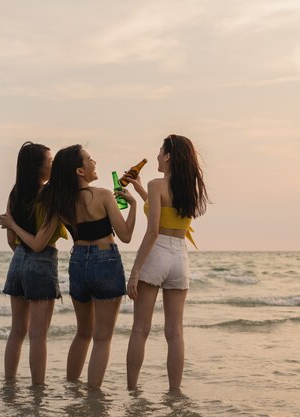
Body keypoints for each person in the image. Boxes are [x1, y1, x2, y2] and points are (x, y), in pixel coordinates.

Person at [39, 144, 137, 388]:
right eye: (90, 159)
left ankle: (72, 388)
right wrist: (133, 206)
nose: (94, 163)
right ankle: (93, 398)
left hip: (78, 260)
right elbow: (125, 235)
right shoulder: (102, 195)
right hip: (106, 259)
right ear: (80, 171)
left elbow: (43, 235)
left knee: (83, 333)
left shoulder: (60, 201)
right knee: (102, 338)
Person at [125, 134, 207, 390]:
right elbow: (164, 210)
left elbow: (153, 230)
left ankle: (132, 390)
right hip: (180, 257)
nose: (158, 155)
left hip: (157, 252)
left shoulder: (156, 184)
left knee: (140, 329)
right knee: (175, 333)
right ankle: (174, 392)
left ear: (169, 156)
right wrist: (139, 187)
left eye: (161, 151)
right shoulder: (189, 189)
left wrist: (135, 271)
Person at [0, 141, 67, 385]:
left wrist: (15, 229)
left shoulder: (15, 192)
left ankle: (10, 385)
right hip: (42, 262)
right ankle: (37, 392)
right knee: (38, 336)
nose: (53, 164)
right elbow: (39, 244)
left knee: (17, 331)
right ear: (38, 167)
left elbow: (11, 241)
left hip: (17, 262)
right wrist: (17, 227)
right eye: (49, 161)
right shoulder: (50, 195)